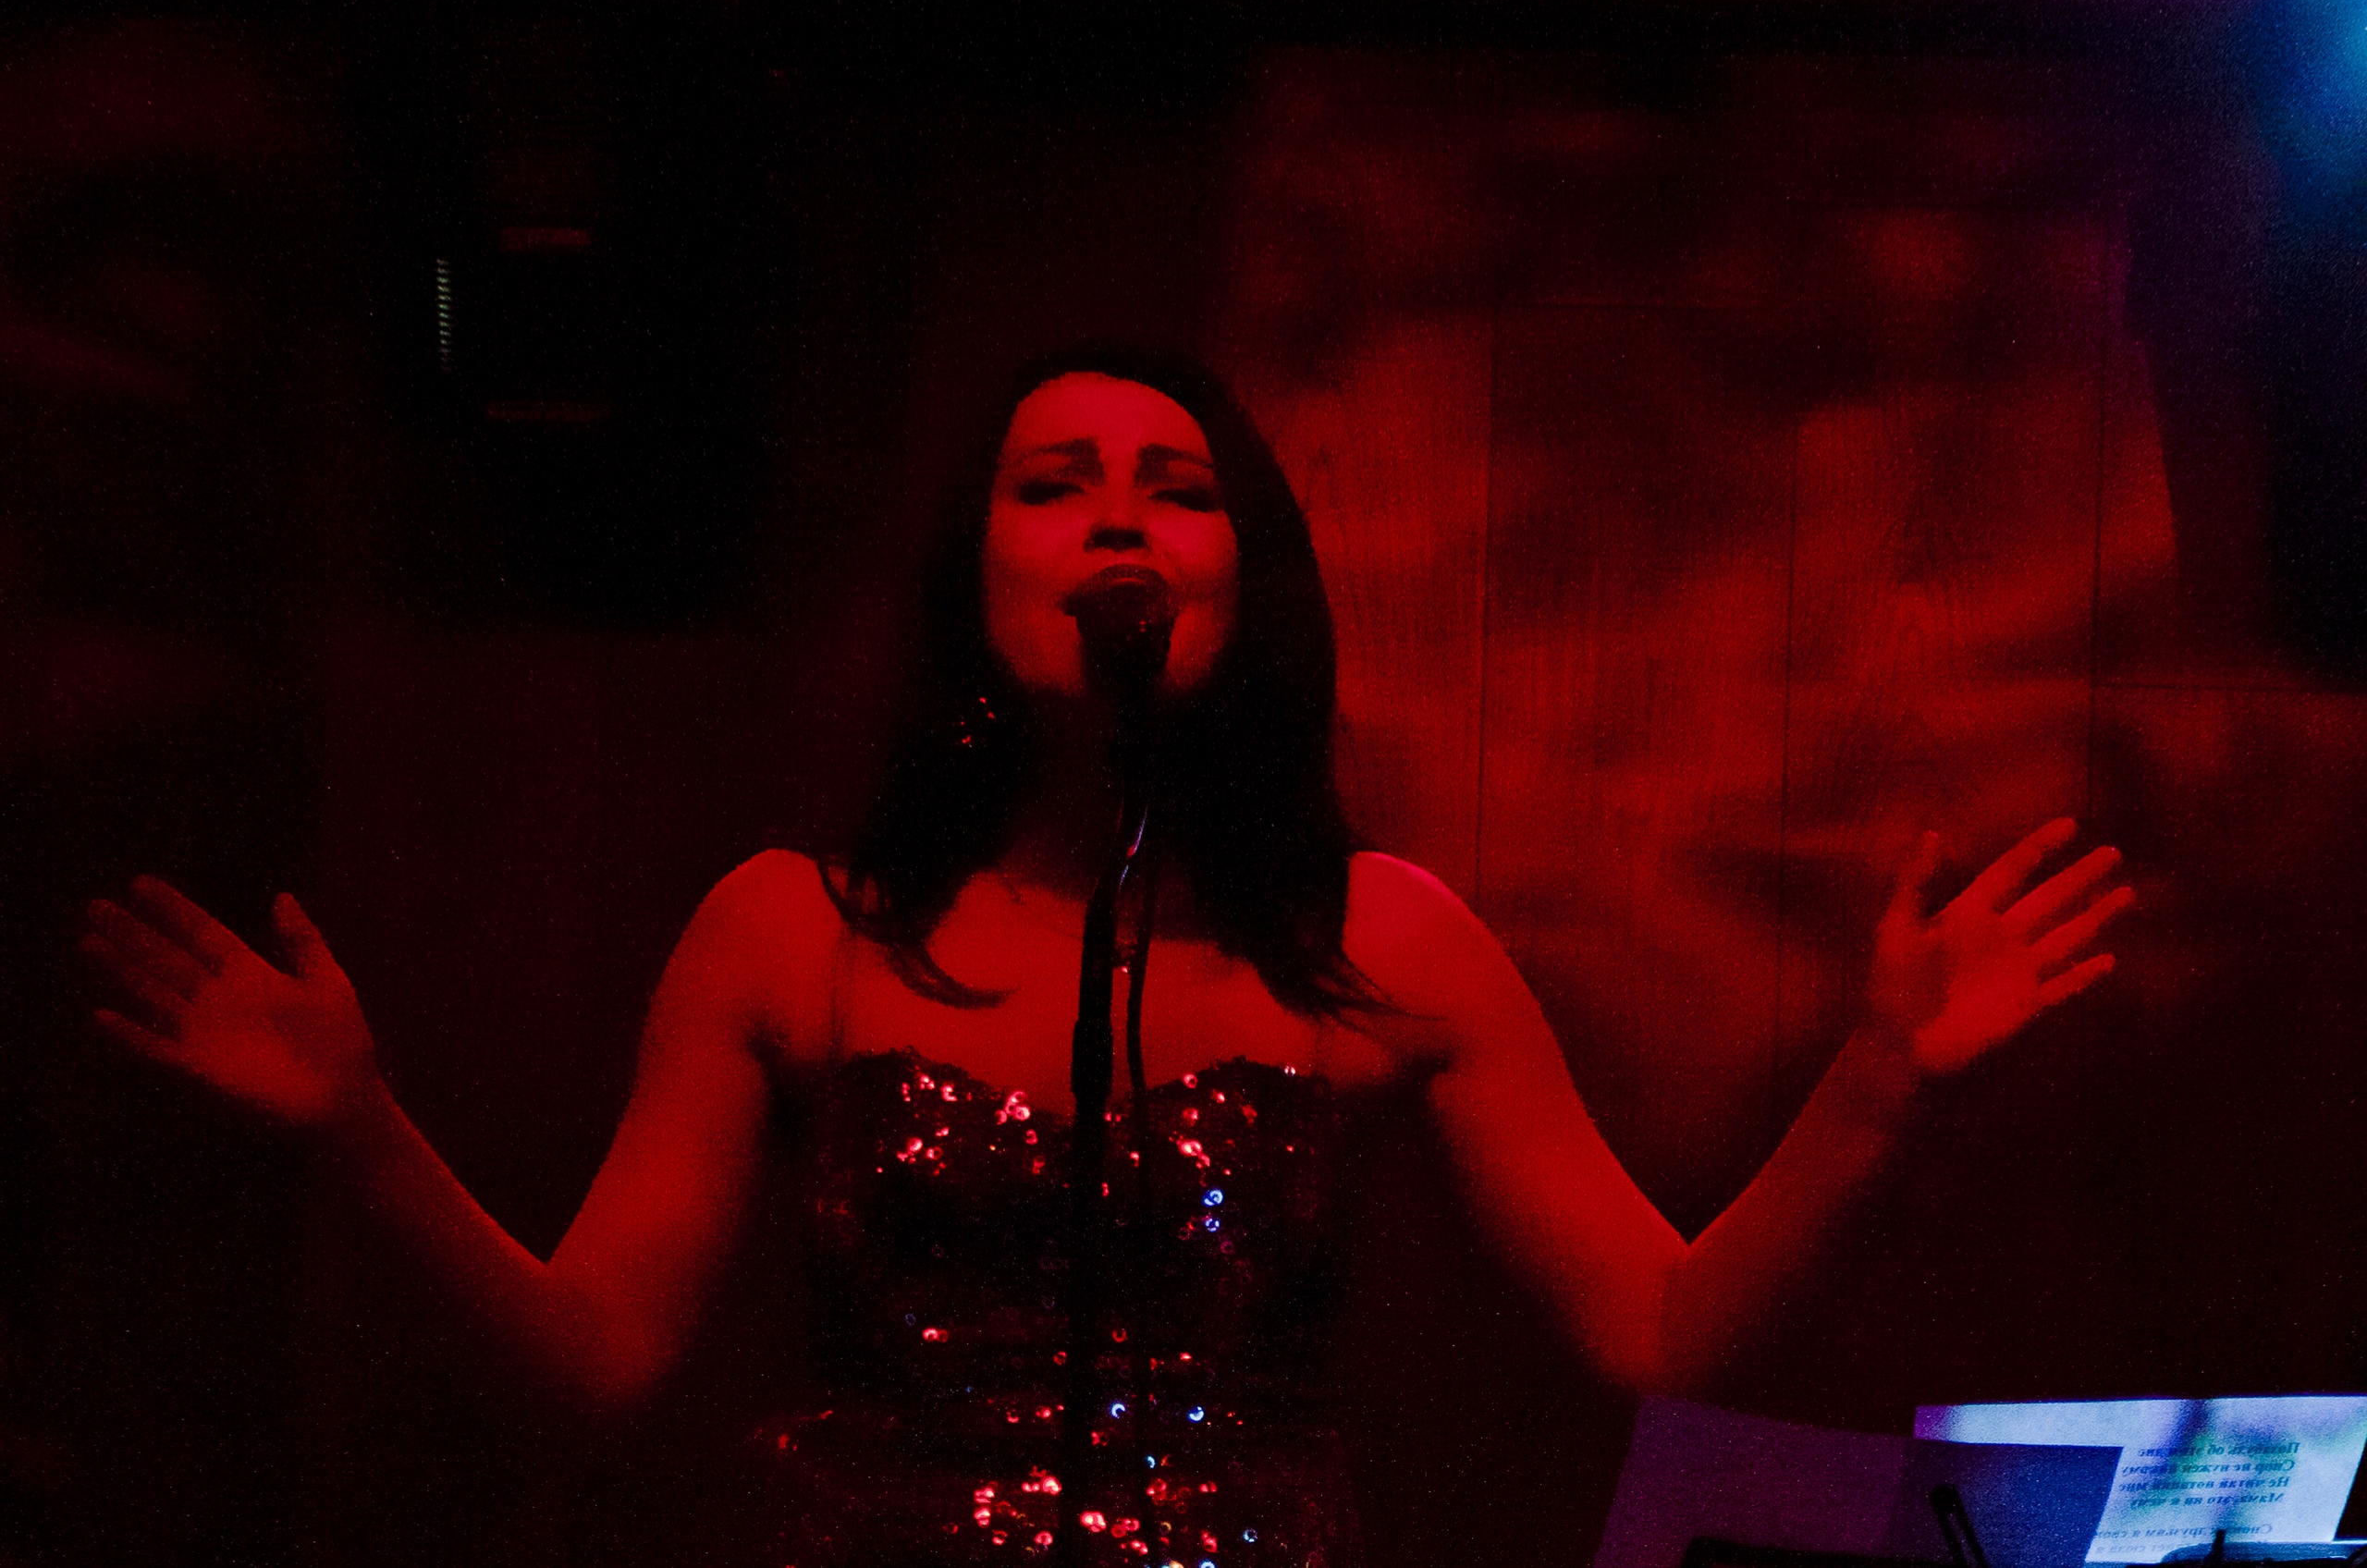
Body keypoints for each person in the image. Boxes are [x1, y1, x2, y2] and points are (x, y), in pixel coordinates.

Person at [82, 346, 2130, 1568]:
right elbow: (595, 1354)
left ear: (1248, 571)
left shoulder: (1380, 937)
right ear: (976, 578)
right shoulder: (793, 927)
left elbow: (1658, 1330)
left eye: (1175, 488)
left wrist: (1877, 1073)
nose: (1117, 522)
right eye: (1054, 485)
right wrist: (359, 1127)